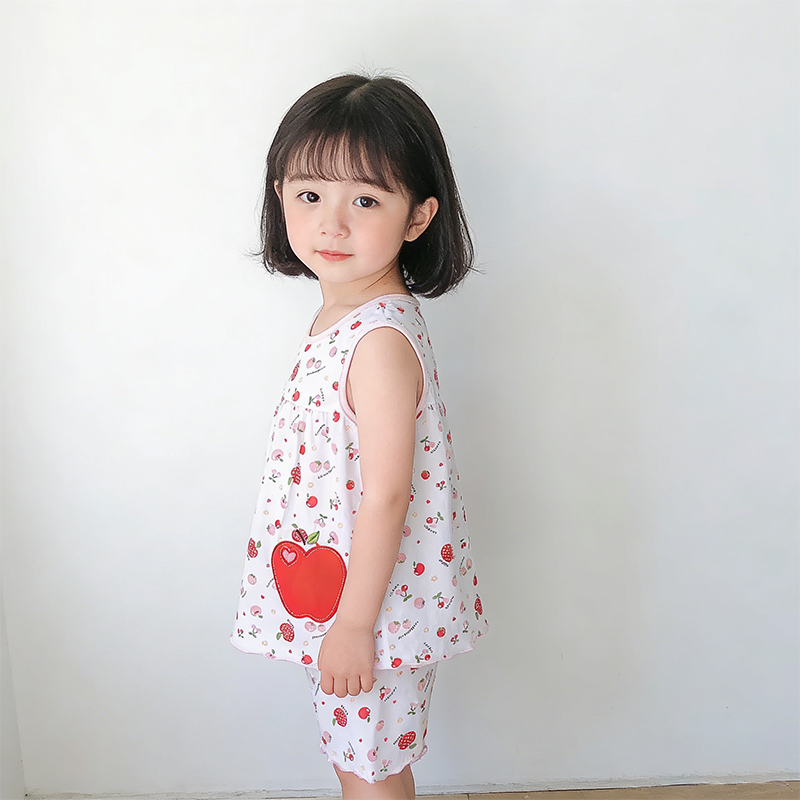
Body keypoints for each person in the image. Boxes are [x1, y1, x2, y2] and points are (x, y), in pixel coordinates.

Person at [231, 73, 488, 799]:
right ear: (279, 195)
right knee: (359, 759)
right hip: (350, 598)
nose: (332, 224)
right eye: (310, 195)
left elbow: (387, 495)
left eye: (366, 200)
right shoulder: (342, 319)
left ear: (418, 217)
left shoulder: (376, 341)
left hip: (371, 609)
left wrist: (351, 626)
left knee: (370, 770)